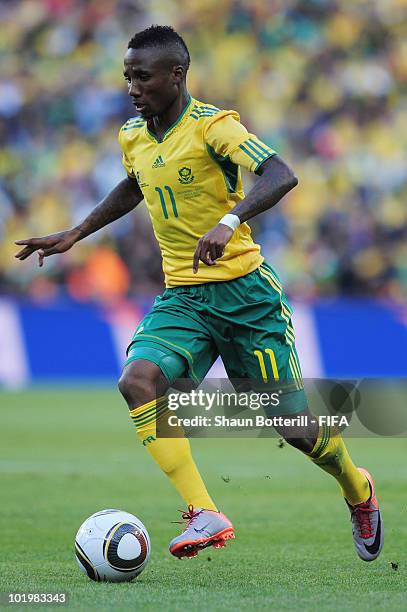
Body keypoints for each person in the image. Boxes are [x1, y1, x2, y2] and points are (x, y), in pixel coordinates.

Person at [15, 25, 383, 561]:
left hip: (246, 297)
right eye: (126, 76)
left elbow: (281, 174)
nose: (132, 87)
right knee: (137, 381)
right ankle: (204, 511)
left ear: (176, 74)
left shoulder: (215, 126)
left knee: (295, 429)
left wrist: (230, 221)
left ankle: (357, 489)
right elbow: (136, 184)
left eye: (142, 76)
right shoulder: (133, 136)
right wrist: (77, 232)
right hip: (184, 296)